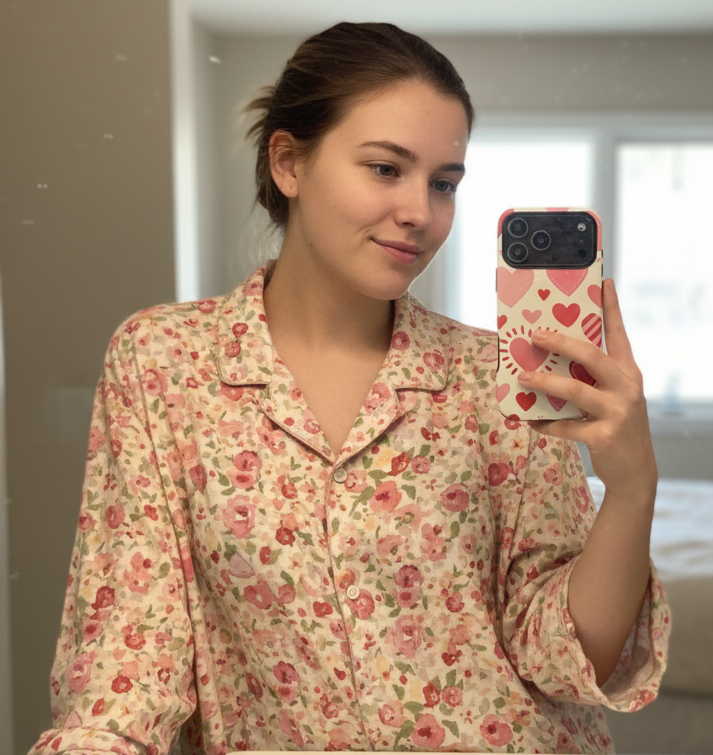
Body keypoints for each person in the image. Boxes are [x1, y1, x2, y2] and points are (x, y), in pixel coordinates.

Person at [29, 22, 669, 755]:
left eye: (444, 183)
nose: (420, 213)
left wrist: (632, 487)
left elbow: (564, 656)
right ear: (288, 162)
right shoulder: (162, 363)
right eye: (385, 168)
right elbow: (127, 668)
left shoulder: (498, 380)